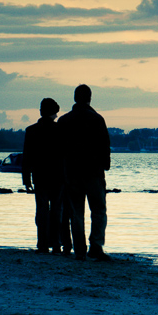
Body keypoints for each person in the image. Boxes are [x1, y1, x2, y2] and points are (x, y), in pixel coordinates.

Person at [59, 84, 112, 261]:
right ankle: (96, 246)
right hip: (93, 172)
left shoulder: (64, 121)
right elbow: (105, 145)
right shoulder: (97, 119)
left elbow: (58, 149)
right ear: (90, 98)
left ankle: (79, 250)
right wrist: (105, 165)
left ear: (75, 98)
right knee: (98, 210)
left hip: (71, 172)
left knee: (76, 212)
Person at [21, 98, 67, 254]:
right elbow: (65, 155)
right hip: (58, 176)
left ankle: (42, 244)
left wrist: (26, 179)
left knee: (41, 209)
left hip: (40, 176)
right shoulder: (60, 129)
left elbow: (26, 157)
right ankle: (56, 244)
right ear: (54, 113)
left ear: (41, 111)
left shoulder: (31, 130)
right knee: (57, 210)